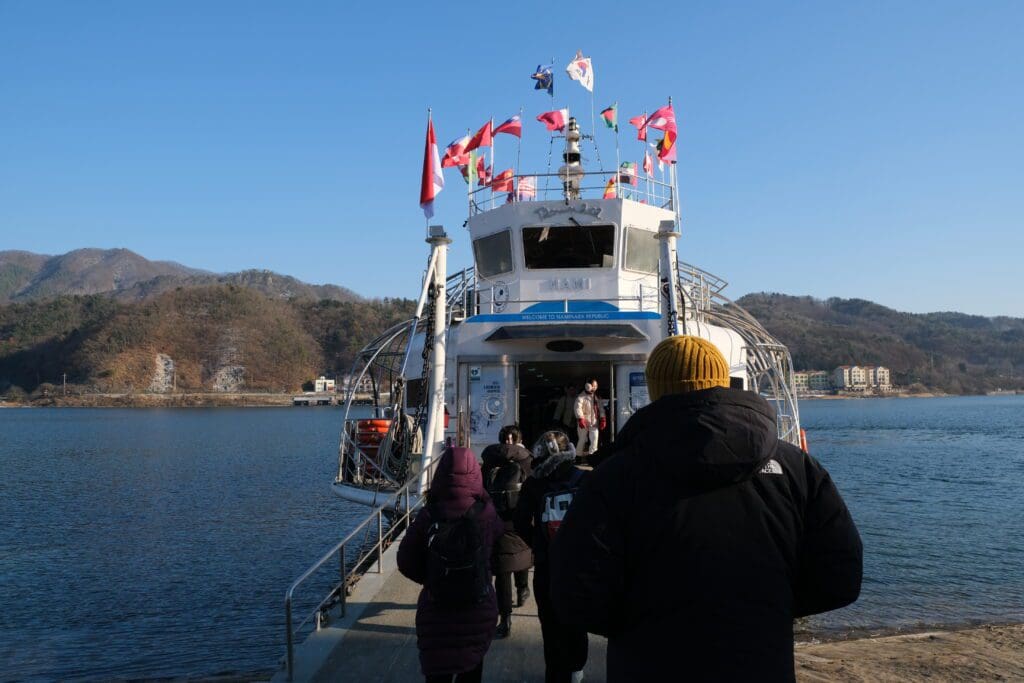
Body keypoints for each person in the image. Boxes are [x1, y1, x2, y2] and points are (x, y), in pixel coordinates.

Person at [550, 335, 863, 682]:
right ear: (721, 382)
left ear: (656, 391)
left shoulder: (611, 479)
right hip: (761, 664)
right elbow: (840, 575)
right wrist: (768, 608)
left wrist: (639, 622)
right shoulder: (797, 469)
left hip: (647, 664)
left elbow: (573, 593)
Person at [397, 447, 503, 683]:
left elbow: (405, 560)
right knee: (471, 670)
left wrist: (432, 576)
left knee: (437, 673)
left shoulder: (429, 514)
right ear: (476, 473)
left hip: (436, 612)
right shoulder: (486, 513)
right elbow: (500, 551)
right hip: (478, 607)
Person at [514, 430, 588, 683]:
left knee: (551, 624)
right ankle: (577, 669)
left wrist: (537, 544)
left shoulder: (534, 484)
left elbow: (520, 522)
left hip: (547, 565)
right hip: (580, 564)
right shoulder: (584, 479)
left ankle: (555, 673)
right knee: (578, 620)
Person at [480, 425, 534, 638]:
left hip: (495, 522)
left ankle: (506, 620)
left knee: (501, 572)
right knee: (520, 556)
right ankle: (522, 590)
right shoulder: (527, 461)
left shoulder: (489, 460)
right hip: (519, 520)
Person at [573, 380, 606, 455]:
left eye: (596, 386)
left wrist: (603, 418)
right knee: (582, 440)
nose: (595, 387)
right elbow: (577, 408)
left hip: (594, 422)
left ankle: (593, 456)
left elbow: (601, 409)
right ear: (588, 386)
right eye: (594, 385)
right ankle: (578, 456)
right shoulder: (581, 396)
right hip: (583, 422)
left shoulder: (597, 397)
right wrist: (580, 418)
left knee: (594, 440)